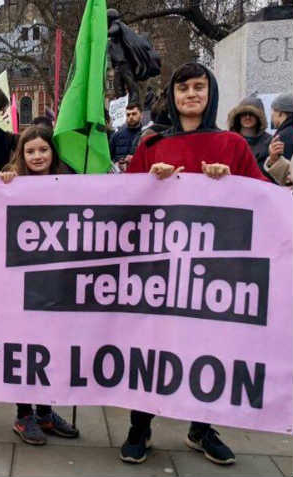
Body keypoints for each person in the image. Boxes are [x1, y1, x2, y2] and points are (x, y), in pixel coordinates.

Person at [124, 62, 268, 466]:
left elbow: (264, 200)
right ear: (173, 95)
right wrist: (147, 180)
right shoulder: (151, 146)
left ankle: (201, 427)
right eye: (183, 87)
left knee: (208, 349)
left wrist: (233, 184)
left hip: (213, 273)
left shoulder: (233, 146)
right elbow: (122, 203)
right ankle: (140, 424)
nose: (191, 94)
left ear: (211, 93)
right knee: (150, 350)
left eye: (199, 87)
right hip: (158, 272)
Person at [0, 125, 79, 445]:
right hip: (20, 282)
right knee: (24, 348)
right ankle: (24, 414)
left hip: (56, 281)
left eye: (43, 150)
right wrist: (3, 183)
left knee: (50, 349)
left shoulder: (68, 182)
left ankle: (45, 412)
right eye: (30, 151)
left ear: (53, 153)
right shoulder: (11, 182)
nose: (37, 156)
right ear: (21, 155)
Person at [227, 96, 273, 176]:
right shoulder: (229, 140)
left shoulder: (268, 142)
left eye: (252, 114)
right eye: (244, 114)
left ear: (259, 117)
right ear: (238, 116)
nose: (247, 117)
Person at [265, 93, 293, 184]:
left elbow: (287, 179)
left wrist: (274, 160)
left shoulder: (282, 137)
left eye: (273, 112)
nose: (272, 116)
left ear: (280, 113)